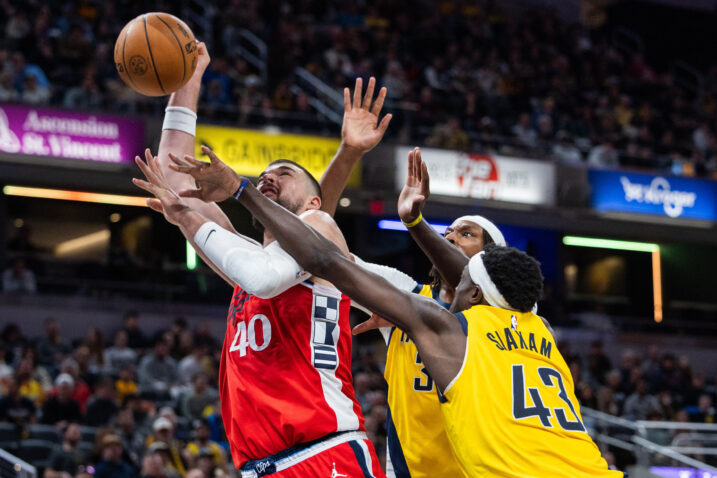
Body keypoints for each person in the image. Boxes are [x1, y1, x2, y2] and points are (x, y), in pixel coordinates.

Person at [136, 148, 623, 477]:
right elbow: (321, 250)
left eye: (466, 237)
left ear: (478, 284)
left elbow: (325, 255)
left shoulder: (441, 322)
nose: (451, 240)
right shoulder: (536, 325)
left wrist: (413, 220)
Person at [134, 41, 390, 476]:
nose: (268, 177)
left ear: (313, 200)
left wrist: (188, 217)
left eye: (283, 174)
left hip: (323, 453)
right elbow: (174, 178)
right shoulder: (248, 258)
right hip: (262, 465)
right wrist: (189, 78)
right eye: (263, 175)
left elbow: (269, 271)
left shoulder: (320, 230)